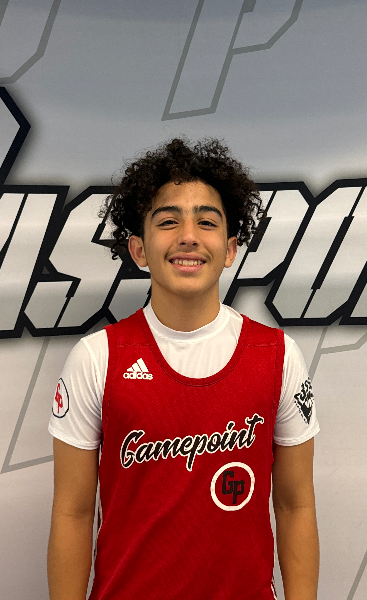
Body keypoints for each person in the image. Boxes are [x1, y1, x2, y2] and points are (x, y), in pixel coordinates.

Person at [47, 137, 319, 600]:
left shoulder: (277, 355)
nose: (188, 235)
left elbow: (296, 507)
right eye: (168, 221)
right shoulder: (96, 358)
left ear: (230, 249)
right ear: (138, 249)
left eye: (206, 222)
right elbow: (72, 513)